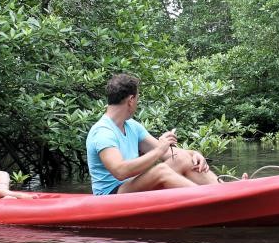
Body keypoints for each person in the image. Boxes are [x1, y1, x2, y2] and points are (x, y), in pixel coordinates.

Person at [86, 74, 218, 195]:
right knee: (161, 171)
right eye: (137, 99)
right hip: (111, 195)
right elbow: (120, 171)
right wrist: (160, 149)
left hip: (131, 186)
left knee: (183, 158)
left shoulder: (132, 126)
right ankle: (212, 198)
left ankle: (222, 189)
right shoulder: (103, 132)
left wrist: (193, 154)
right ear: (131, 100)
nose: (137, 103)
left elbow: (168, 153)